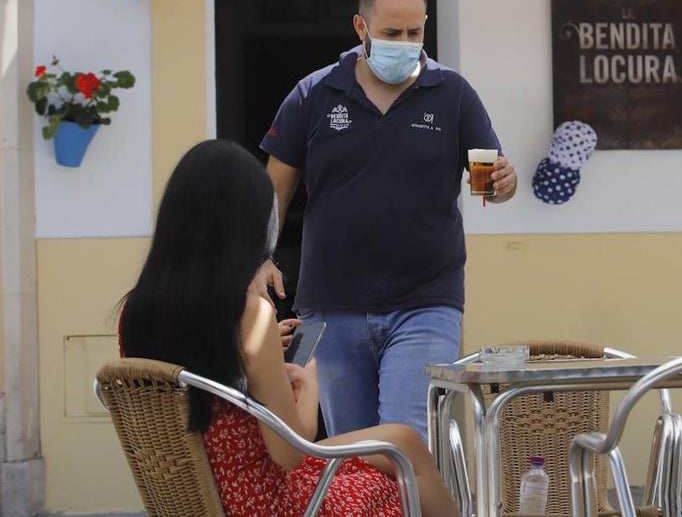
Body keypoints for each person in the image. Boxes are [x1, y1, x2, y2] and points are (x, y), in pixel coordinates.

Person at [118, 139, 461, 516]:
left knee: (402, 439)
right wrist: (309, 382)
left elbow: (207, 381)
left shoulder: (136, 308)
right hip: (267, 500)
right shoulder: (249, 313)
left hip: (200, 494)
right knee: (402, 460)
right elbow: (290, 452)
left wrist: (257, 355)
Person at [255, 0, 517, 440]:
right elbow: (274, 189)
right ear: (361, 28)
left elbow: (490, 184)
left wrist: (503, 183)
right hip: (331, 307)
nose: (405, 43)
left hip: (426, 302)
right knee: (351, 453)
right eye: (391, 33)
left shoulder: (453, 93)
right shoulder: (313, 94)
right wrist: (259, 257)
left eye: (414, 33)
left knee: (406, 441)